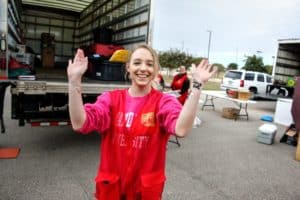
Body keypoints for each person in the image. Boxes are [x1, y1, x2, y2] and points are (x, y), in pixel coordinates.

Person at [67, 44, 217, 200]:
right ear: (128, 68)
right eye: (137, 63)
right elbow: (79, 123)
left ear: (155, 70)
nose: (143, 68)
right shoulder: (111, 99)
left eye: (149, 64)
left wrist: (197, 86)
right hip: (112, 189)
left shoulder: (163, 102)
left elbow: (181, 129)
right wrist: (74, 81)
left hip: (144, 191)